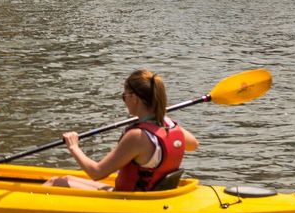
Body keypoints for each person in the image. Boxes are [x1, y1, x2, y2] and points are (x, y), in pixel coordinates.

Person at [47, 68, 199, 190]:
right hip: (153, 196)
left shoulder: (137, 136)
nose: (124, 100)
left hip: (130, 201)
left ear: (135, 99)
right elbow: (193, 145)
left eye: (124, 96)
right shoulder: (170, 125)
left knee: (54, 184)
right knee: (64, 180)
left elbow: (96, 172)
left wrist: (74, 147)